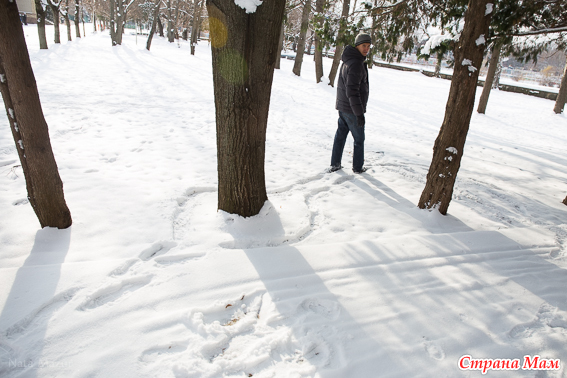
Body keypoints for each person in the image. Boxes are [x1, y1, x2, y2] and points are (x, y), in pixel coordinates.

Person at [329, 32, 371, 174]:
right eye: (364, 46)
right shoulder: (356, 64)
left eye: (368, 46)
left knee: (340, 136)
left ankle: (335, 164)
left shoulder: (347, 61)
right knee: (359, 140)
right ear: (357, 46)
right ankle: (358, 168)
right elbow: (352, 91)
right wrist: (359, 114)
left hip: (343, 107)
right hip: (352, 110)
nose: (366, 49)